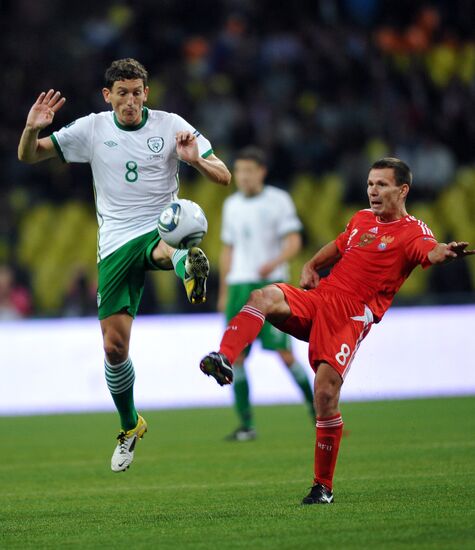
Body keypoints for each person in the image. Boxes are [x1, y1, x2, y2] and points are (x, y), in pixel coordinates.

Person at [199, 157, 474, 504]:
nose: (373, 190)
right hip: (322, 298)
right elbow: (340, 245)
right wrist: (313, 265)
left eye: (382, 185)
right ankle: (224, 357)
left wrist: (444, 252)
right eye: (371, 183)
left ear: (402, 190)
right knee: (263, 296)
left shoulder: (413, 231)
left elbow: (427, 252)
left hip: (350, 317)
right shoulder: (361, 219)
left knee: (325, 396)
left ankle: (322, 487)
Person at [18, 58, 231, 472]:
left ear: (145, 93)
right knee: (114, 349)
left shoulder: (171, 125)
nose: (130, 101)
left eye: (137, 93)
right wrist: (31, 128)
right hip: (115, 242)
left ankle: (189, 269)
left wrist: (195, 160)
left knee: (179, 227)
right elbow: (30, 157)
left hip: (160, 227)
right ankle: (131, 425)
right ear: (108, 96)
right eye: (122, 94)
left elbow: (222, 175)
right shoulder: (93, 128)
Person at [218, 146, 314, 441]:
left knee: (285, 354)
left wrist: (274, 263)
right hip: (238, 286)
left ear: (261, 172)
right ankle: (247, 426)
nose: (243, 177)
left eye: (249, 171)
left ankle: (318, 413)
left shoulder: (278, 200)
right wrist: (223, 290)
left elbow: (295, 240)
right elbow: (228, 249)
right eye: (240, 171)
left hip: (270, 288)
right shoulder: (231, 204)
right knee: (235, 359)